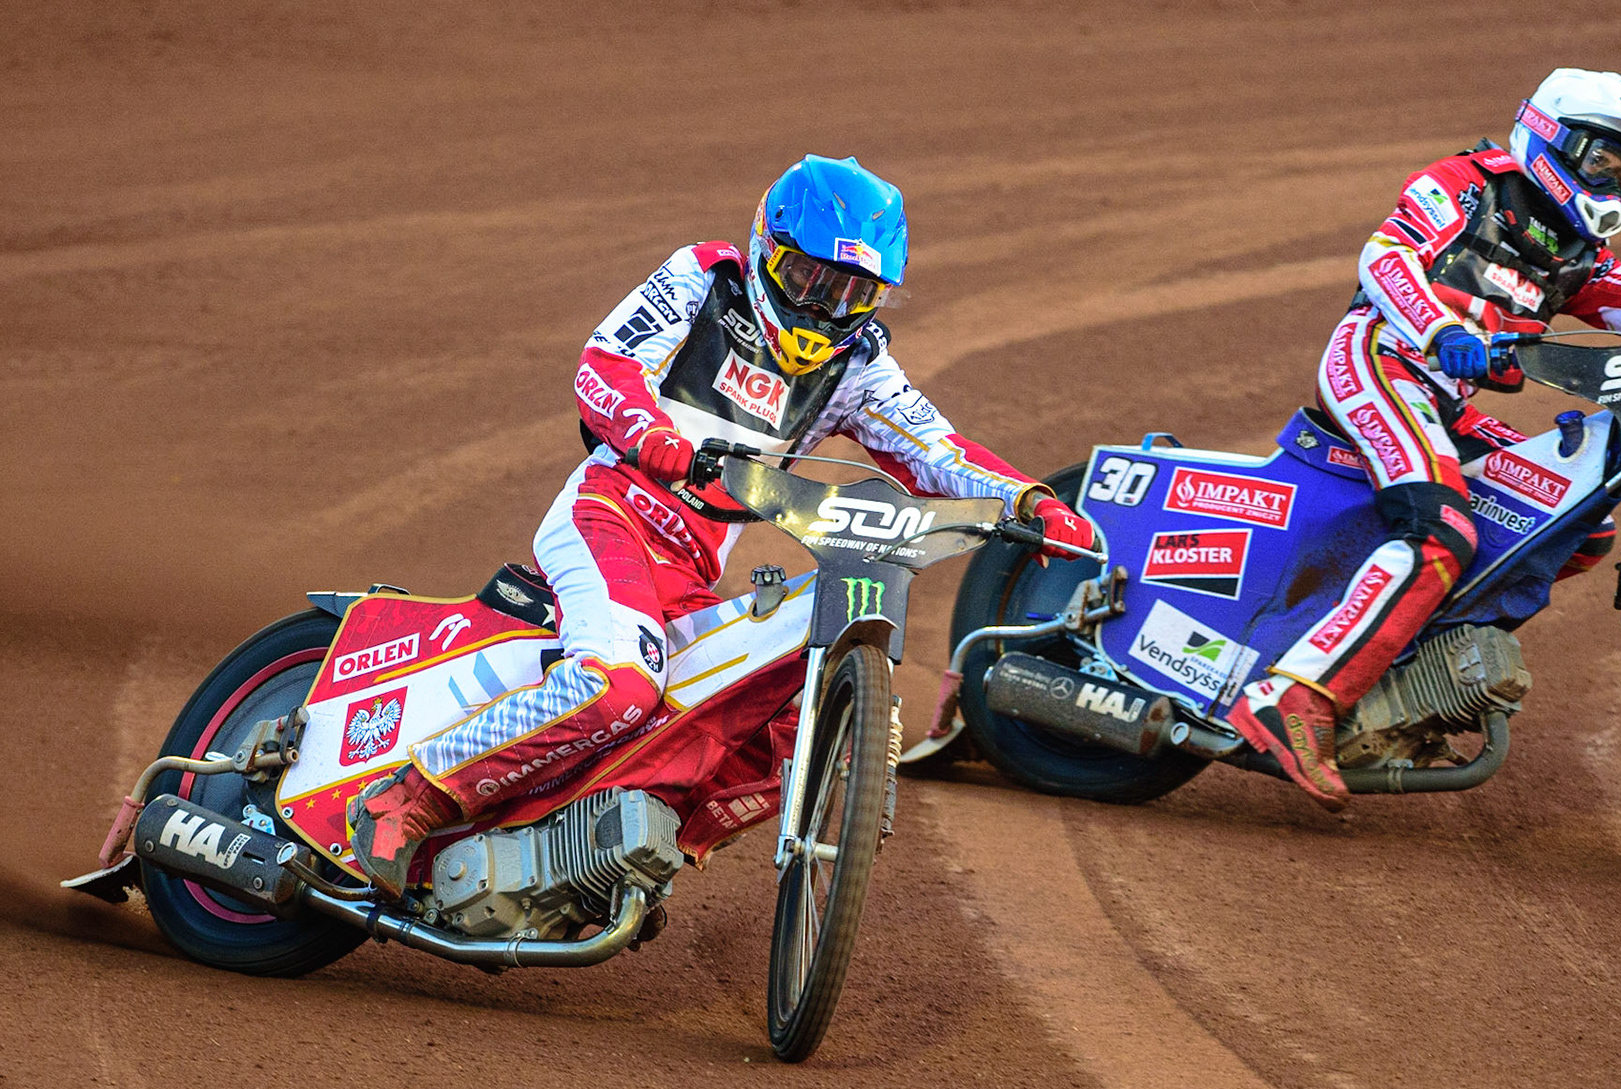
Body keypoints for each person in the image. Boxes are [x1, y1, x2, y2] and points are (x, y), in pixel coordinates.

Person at [347, 154, 1094, 898]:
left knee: (787, 715)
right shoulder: (703, 280)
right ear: (768, 250)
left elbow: (934, 449)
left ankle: (634, 853)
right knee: (621, 688)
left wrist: (1028, 502)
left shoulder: (858, 367)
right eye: (809, 280)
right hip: (610, 514)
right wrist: (656, 440)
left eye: (850, 293)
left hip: (691, 572)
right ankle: (405, 800)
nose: (823, 308)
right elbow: (605, 367)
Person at [1227, 68, 1621, 812]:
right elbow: (1384, 261)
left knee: (1572, 529)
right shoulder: (1466, 183)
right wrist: (1443, 328)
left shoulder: (1575, 251)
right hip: (1383, 360)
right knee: (1443, 534)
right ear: (1553, 136)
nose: (1614, 185)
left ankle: (1409, 676)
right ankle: (1294, 697)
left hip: (1444, 399)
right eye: (1603, 163)